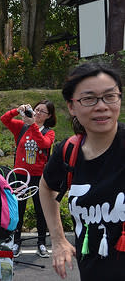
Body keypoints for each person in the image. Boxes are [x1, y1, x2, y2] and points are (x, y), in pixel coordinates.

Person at [40, 62, 125, 281]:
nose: (101, 106)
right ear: (71, 106)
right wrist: (58, 240)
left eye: (110, 96)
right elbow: (46, 187)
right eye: (89, 99)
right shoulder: (68, 152)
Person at [0, 100, 56, 258]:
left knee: (41, 210)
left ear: (49, 116)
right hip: (20, 175)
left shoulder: (48, 132)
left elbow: (43, 144)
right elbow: (4, 119)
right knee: (18, 209)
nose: (37, 113)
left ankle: (41, 244)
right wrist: (17, 111)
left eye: (42, 112)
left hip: (39, 177)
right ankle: (16, 242)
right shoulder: (21, 127)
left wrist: (33, 125)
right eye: (36, 109)